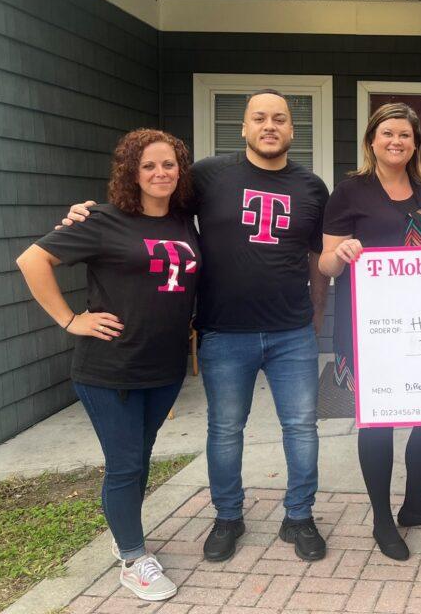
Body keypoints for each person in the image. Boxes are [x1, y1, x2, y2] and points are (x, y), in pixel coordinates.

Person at [61, 90, 331, 563]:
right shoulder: (208, 175)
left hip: (292, 332)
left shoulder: (312, 187)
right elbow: (151, 204)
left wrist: (317, 315)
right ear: (243, 128)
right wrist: (89, 213)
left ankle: (300, 516)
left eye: (280, 119)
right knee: (226, 429)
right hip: (224, 331)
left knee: (301, 428)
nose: (270, 126)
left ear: (292, 130)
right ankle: (228, 516)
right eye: (259, 118)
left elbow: (315, 256)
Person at [17, 129, 199, 602]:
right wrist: (70, 319)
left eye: (169, 165)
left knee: (139, 460)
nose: (160, 173)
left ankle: (128, 538)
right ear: (131, 173)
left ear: (180, 171)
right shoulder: (101, 220)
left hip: (164, 367)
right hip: (110, 368)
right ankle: (134, 560)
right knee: (124, 465)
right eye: (148, 166)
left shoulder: (184, 221)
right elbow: (32, 260)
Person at [319, 102, 421, 561]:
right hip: (370, 326)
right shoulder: (349, 192)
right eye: (387, 134)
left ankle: (415, 503)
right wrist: (342, 252)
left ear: (415, 142)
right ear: (372, 141)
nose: (396, 141)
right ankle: (382, 518)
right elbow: (324, 263)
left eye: (405, 134)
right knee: (378, 418)